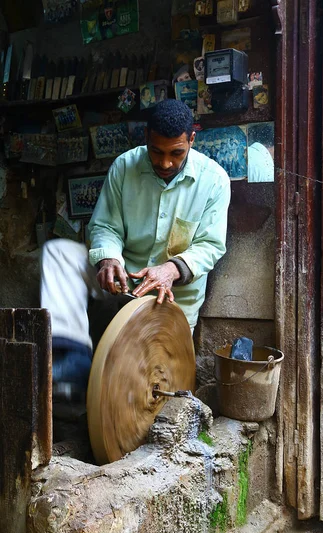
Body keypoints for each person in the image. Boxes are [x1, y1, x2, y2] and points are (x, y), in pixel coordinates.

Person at [41, 100, 231, 407]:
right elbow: (105, 225)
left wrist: (170, 269)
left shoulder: (214, 181)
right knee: (59, 252)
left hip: (170, 300)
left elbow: (210, 246)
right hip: (123, 283)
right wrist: (109, 258)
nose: (166, 162)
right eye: (157, 151)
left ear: (192, 139)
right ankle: (70, 365)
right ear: (146, 138)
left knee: (142, 390)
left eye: (176, 153)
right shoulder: (124, 166)